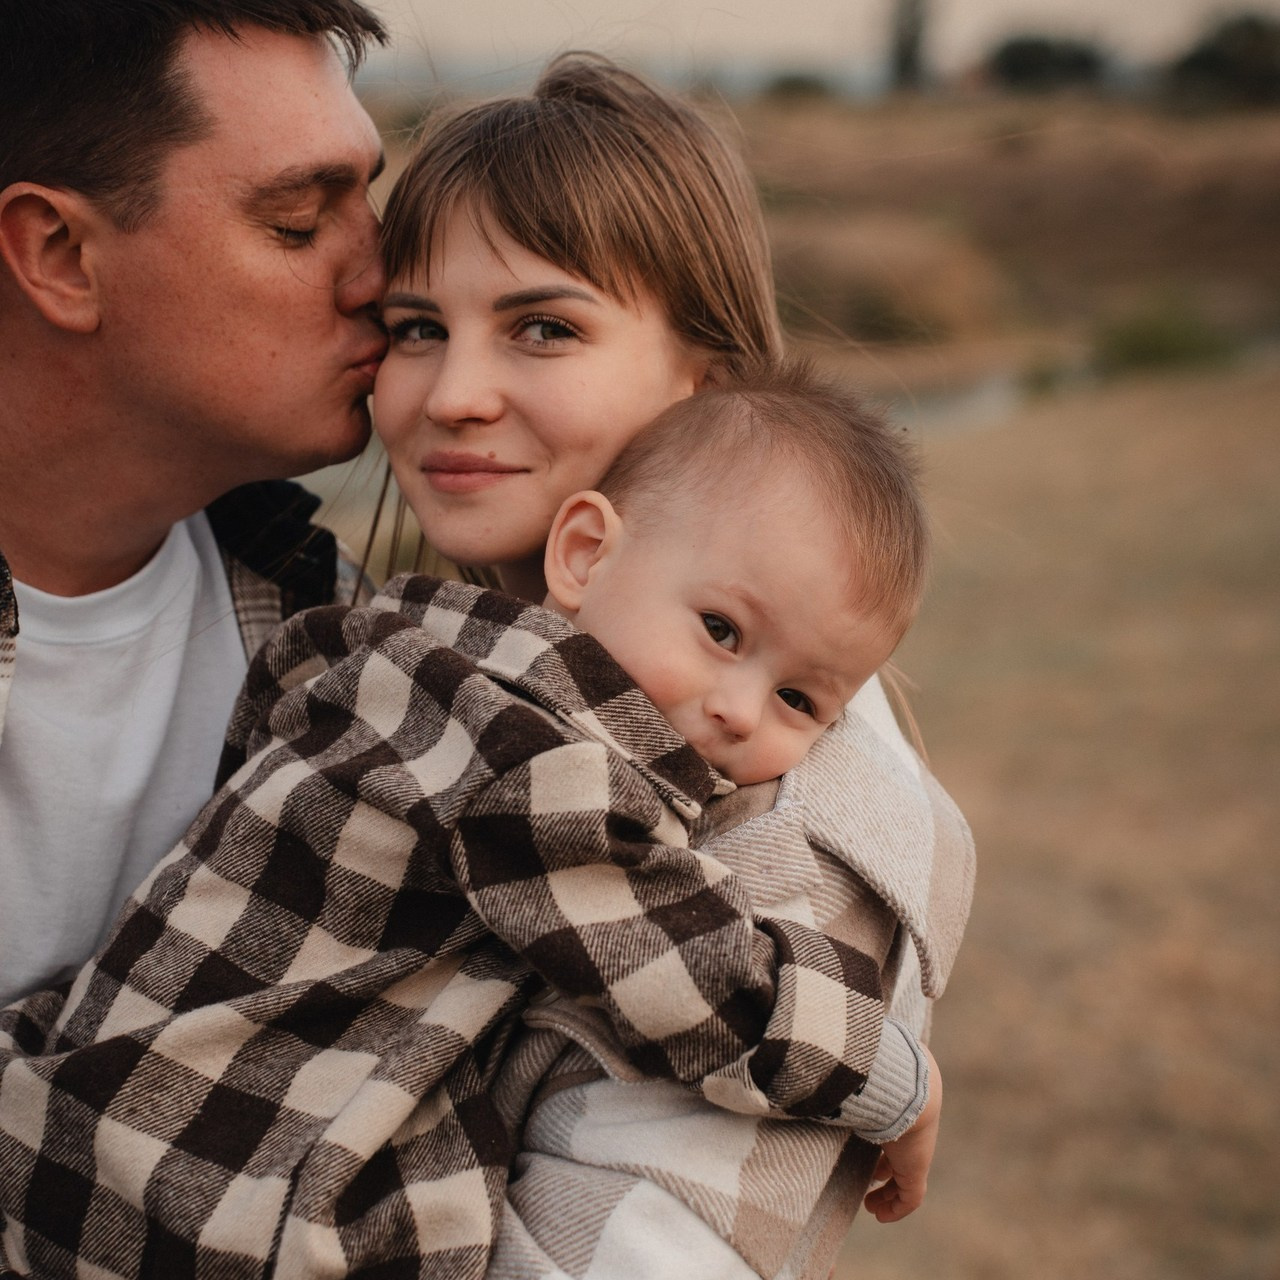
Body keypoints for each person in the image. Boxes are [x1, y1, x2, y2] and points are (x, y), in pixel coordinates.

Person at [0, 362, 939, 1280]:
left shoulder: (390, 643)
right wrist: (892, 1078)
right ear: (585, 554)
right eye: (722, 632)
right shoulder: (533, 756)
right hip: (223, 1205)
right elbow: (690, 978)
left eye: (800, 701)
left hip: (64, 1126)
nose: (739, 709)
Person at [373, 53, 974, 1279]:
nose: (454, 392)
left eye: (543, 326)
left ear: (705, 382)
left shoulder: (792, 832)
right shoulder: (458, 662)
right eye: (415, 328)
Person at [0, 0, 388, 1006]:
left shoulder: (329, 625)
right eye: (298, 222)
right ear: (57, 253)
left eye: (367, 202)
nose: (382, 278)